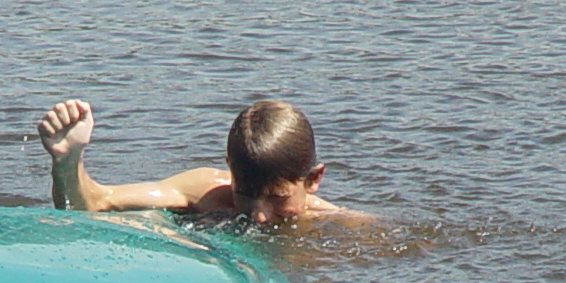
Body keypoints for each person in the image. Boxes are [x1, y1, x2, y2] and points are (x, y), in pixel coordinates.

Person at [35, 97, 367, 223]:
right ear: (230, 171)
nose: (260, 216)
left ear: (313, 179)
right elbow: (92, 207)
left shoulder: (336, 222)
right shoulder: (208, 192)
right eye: (245, 195)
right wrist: (67, 161)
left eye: (278, 198)